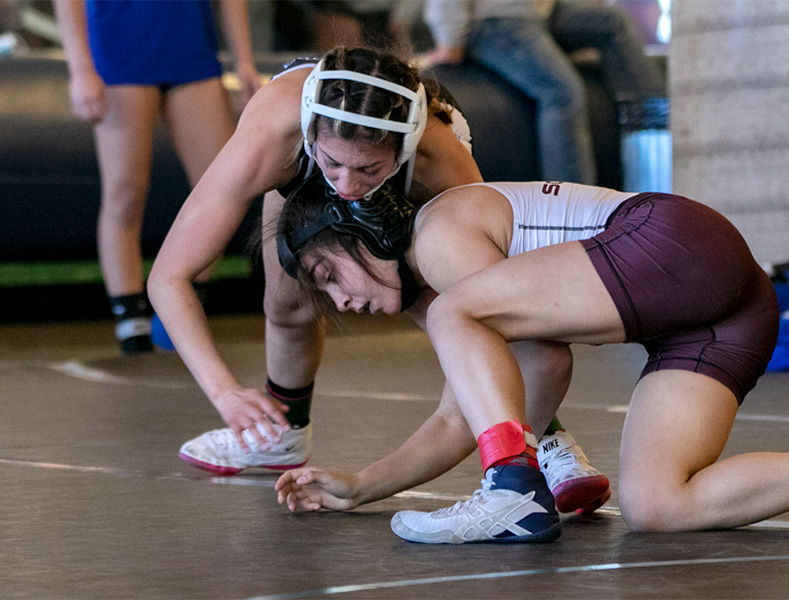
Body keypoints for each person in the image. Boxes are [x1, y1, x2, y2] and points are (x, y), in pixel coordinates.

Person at [272, 178, 789, 543]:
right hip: (720, 309)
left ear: (362, 230)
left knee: (466, 321)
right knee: (656, 503)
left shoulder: (437, 234)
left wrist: (513, 469)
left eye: (330, 273)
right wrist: (360, 487)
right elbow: (470, 408)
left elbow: (542, 365)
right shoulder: (451, 303)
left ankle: (514, 489)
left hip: (675, 242)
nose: (343, 299)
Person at [146, 46, 611, 515]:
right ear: (310, 131)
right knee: (288, 304)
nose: (346, 186)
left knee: (450, 305)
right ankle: (280, 434)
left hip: (406, 191)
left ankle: (546, 438)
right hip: (298, 165)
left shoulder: (436, 156)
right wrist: (224, 391)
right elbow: (169, 276)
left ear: (404, 147)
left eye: (367, 168)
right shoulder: (272, 135)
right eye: (334, 164)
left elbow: (497, 299)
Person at [53, 0, 261, 355]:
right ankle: (131, 320)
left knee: (225, 188)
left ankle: (179, 306)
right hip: (120, 52)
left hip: (191, 51)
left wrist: (244, 60)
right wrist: (80, 67)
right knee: (126, 194)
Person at [420, 0, 665, 185]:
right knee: (561, 93)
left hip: (539, 14)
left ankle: (660, 125)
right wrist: (449, 42)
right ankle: (571, 202)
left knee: (611, 22)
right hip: (496, 21)